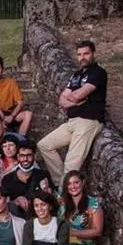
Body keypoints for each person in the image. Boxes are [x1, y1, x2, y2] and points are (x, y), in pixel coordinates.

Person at [37, 40, 107, 184]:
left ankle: (63, 193)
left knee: (71, 164)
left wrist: (74, 97)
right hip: (72, 121)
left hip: (88, 121)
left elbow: (76, 95)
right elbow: (62, 100)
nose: (82, 57)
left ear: (93, 53)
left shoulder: (98, 72)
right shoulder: (77, 75)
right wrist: (75, 99)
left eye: (86, 53)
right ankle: (60, 183)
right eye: (79, 54)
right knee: (44, 145)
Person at [1, 142, 52, 214]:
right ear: (18, 156)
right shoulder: (7, 179)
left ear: (34, 156)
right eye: (22, 156)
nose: (25, 159)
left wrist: (46, 192)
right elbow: (3, 202)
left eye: (29, 155)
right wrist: (15, 201)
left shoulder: (43, 175)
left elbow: (51, 199)